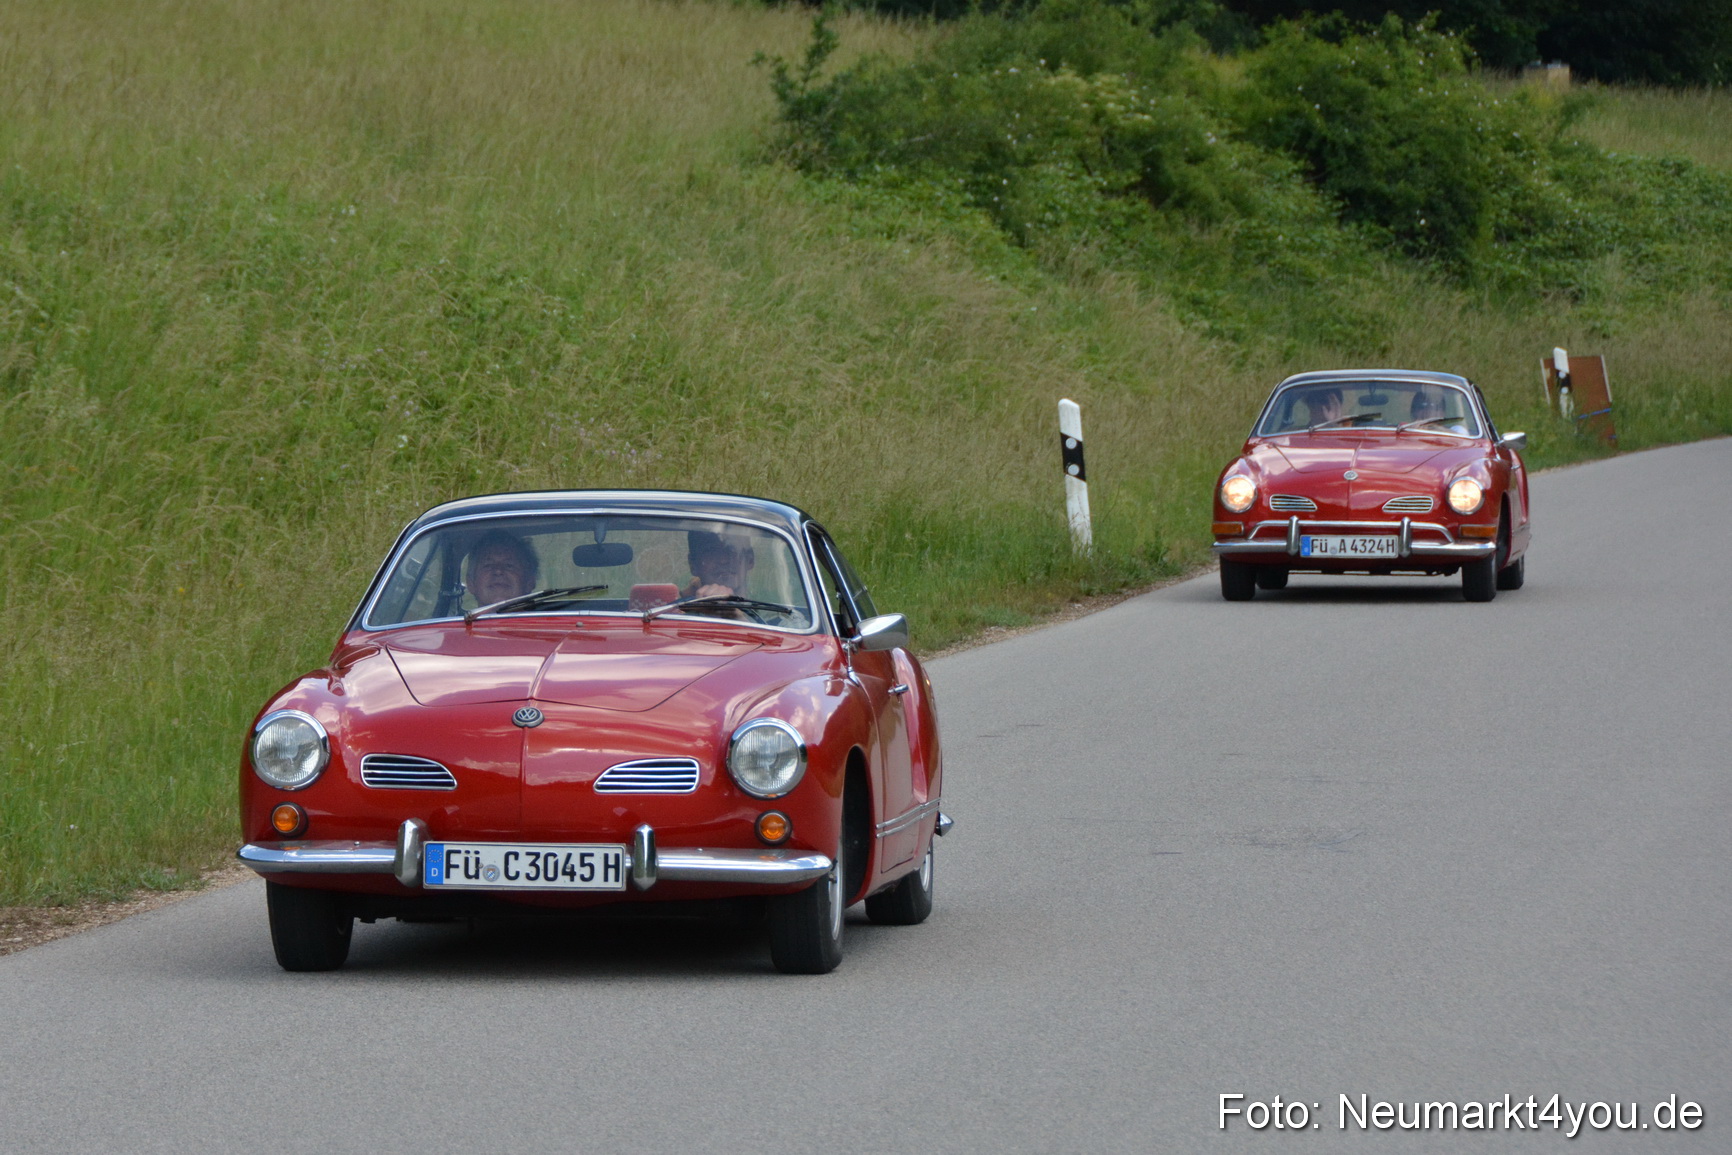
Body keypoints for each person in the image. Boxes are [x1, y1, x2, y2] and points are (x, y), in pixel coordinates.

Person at [465, 530, 538, 606]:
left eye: (509, 565)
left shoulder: (548, 617)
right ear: (470, 583)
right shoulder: (454, 618)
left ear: (529, 582)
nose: (498, 571)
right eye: (488, 565)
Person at [683, 530, 756, 602]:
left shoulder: (765, 610)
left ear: (750, 559)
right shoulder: (675, 611)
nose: (723, 560)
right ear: (693, 564)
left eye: (732, 550)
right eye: (711, 552)